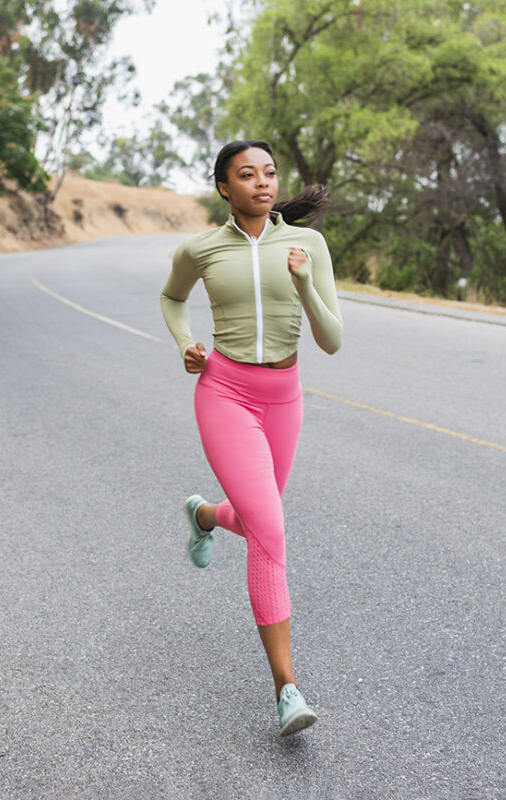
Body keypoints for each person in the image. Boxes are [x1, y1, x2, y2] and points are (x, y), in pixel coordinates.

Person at [160, 140, 343, 736]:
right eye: (247, 174)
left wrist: (307, 282)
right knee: (270, 529)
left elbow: (333, 338)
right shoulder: (202, 248)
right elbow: (171, 297)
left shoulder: (307, 244)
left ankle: (206, 516)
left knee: (258, 516)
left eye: (269, 173)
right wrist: (186, 341)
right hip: (225, 392)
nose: (262, 183)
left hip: (283, 395)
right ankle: (287, 689)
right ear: (223, 187)